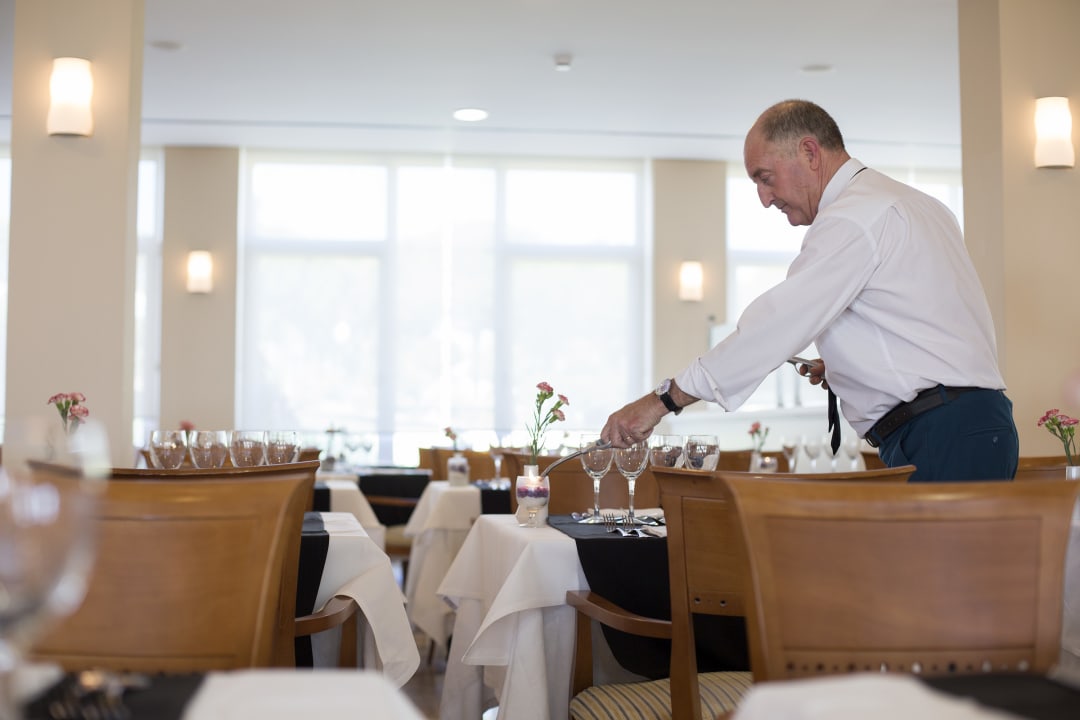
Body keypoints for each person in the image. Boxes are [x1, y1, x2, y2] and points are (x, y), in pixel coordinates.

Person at [601, 99, 1018, 482]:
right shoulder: (914, 203)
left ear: (809, 153)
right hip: (969, 425)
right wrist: (848, 365)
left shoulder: (854, 217)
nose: (764, 199)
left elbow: (772, 328)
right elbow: (924, 323)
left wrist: (661, 402)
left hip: (943, 433)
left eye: (765, 178)